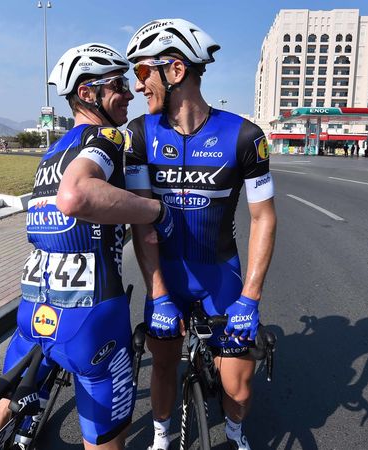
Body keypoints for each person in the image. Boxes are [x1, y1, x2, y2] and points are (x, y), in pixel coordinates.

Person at [0, 42, 173, 450]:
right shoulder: (108, 138)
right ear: (87, 93)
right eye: (118, 85)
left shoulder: (51, 154)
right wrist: (156, 210)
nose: (129, 93)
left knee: (2, 405)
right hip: (92, 318)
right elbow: (76, 196)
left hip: (34, 309)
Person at [123, 19, 277, 450]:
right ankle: (160, 437)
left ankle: (235, 433)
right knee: (163, 364)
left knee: (238, 386)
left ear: (176, 71)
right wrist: (158, 294)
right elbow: (142, 220)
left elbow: (263, 218)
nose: (138, 85)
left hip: (220, 276)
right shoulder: (139, 135)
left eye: (143, 72)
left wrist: (250, 298)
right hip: (166, 276)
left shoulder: (245, 136)